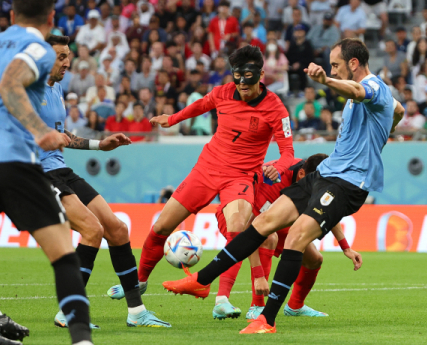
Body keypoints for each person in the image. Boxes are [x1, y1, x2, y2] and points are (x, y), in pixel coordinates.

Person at [162, 38, 405, 335]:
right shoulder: (381, 97)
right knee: (264, 222)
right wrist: (388, 127)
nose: (333, 69)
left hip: (349, 183)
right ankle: (202, 281)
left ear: (354, 64)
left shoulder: (373, 87)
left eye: (337, 65)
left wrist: (325, 80)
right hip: (326, 174)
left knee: (296, 238)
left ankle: (268, 319)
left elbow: (357, 89)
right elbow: (399, 109)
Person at [0, 1, 93, 344]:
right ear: (51, 18)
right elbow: (10, 86)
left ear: (11, 16)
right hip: (13, 163)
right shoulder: (37, 47)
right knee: (64, 257)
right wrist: (41, 130)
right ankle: (82, 340)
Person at [133, 45, 294, 295]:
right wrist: (172, 118)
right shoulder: (223, 92)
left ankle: (210, 287)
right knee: (162, 226)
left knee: (238, 229)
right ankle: (139, 283)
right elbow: (200, 105)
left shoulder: (276, 108)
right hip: (206, 169)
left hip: (240, 177)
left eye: (248, 84)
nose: (242, 88)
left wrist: (279, 168)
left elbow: (288, 154)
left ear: (261, 76)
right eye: (238, 81)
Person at [39, 36, 171, 330]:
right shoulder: (28, 91)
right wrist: (46, 138)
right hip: (38, 174)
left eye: (67, 57)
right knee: (92, 230)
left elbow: (64, 136)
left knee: (118, 229)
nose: (67, 63)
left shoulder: (57, 88)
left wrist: (101, 145)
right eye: (60, 57)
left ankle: (136, 312)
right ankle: (69, 311)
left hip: (61, 170)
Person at [210, 154, 362, 320]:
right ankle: (251, 305)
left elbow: (326, 209)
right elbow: (250, 229)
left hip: (271, 220)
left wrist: (345, 247)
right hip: (237, 216)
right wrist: (259, 276)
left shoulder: (313, 176)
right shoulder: (273, 181)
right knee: (267, 238)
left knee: (314, 259)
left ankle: (295, 306)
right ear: (302, 174)